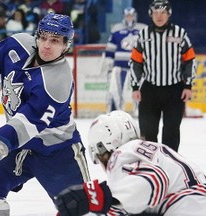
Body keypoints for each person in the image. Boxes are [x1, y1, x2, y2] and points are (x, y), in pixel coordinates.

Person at [0, 12, 90, 216]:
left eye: (54, 40)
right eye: (43, 37)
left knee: (77, 207)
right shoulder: (19, 43)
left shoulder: (57, 81)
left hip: (57, 151)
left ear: (66, 45)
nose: (46, 45)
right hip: (21, 146)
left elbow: (26, 124)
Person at [55, 110, 206, 216]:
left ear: (102, 148)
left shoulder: (122, 155)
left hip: (186, 207)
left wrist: (95, 195)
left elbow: (153, 180)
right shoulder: (152, 150)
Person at [129, 0, 197, 152]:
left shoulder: (180, 33)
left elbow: (190, 60)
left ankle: (169, 166)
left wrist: (188, 85)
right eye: (156, 13)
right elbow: (135, 62)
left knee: (171, 132)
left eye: (163, 13)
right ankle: (150, 167)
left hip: (174, 91)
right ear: (151, 15)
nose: (159, 16)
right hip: (149, 90)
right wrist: (135, 86)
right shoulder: (143, 35)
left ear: (169, 14)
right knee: (148, 132)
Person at [104, 7, 146, 114]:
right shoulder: (116, 29)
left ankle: (140, 110)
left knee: (140, 90)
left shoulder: (143, 29)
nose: (129, 18)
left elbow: (148, 48)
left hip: (137, 66)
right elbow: (110, 47)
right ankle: (116, 111)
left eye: (131, 15)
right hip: (119, 66)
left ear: (135, 16)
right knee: (116, 90)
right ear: (124, 16)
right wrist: (109, 61)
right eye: (127, 16)